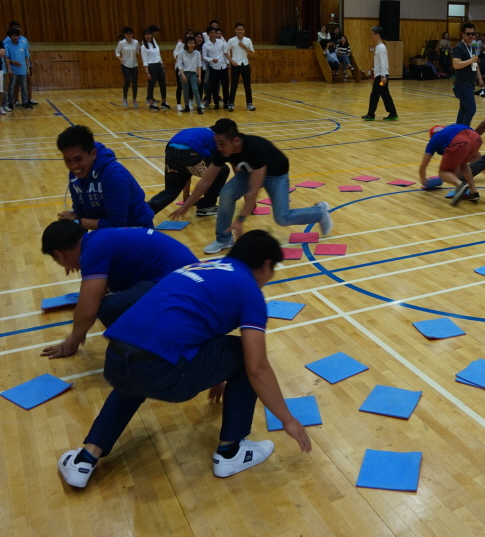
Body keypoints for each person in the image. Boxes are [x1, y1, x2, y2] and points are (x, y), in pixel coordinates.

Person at [56, 230, 312, 489]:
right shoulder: (249, 289)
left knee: (136, 371)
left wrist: (215, 375)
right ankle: (230, 452)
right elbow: (257, 368)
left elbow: (195, 323)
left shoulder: (201, 266)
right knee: (245, 356)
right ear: (266, 265)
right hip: (161, 371)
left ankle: (84, 459)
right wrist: (288, 420)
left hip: (116, 359)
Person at [170, 118, 333, 254]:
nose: (218, 148)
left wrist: (240, 219)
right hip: (249, 171)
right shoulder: (222, 150)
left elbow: (254, 190)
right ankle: (224, 239)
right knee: (226, 193)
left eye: (222, 144)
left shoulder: (255, 149)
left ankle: (319, 212)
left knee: (282, 218)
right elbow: (206, 181)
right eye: (217, 143)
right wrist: (186, 205)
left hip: (276, 175)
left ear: (235, 141)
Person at [39, 221, 198, 359]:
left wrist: (72, 341)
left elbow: (88, 310)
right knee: (115, 296)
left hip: (184, 286)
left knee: (109, 308)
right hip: (191, 279)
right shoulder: (98, 239)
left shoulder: (93, 250)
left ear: (60, 254)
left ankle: (147, 352)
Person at [56, 125, 155, 230]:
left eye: (78, 159)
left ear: (93, 154)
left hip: (137, 230)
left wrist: (76, 221)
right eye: (68, 160)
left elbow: (116, 225)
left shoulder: (115, 177)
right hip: (108, 230)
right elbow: (80, 213)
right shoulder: (76, 174)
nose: (74, 166)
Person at [148, 126, 231, 216]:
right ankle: (206, 206)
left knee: (171, 190)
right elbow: (215, 165)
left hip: (170, 151)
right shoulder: (215, 138)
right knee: (222, 171)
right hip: (189, 152)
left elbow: (187, 170)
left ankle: (145, 211)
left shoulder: (198, 131)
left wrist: (186, 197)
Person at [419, 124, 482, 206]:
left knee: (443, 172)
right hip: (476, 138)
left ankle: (460, 185)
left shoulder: (434, 140)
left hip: (459, 142)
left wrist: (423, 179)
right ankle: (473, 192)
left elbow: (423, 166)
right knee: (463, 163)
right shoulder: (450, 130)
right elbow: (477, 157)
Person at [361, 26, 398, 121]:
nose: (371, 36)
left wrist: (383, 76)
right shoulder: (378, 47)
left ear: (377, 35)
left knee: (375, 94)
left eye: (372, 34)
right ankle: (393, 113)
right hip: (381, 76)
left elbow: (383, 62)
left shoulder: (381, 47)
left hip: (381, 78)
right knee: (385, 94)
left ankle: (371, 114)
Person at [450, 23, 483, 126]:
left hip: (470, 83)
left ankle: (458, 130)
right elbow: (456, 65)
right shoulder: (459, 48)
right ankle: (464, 131)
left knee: (464, 109)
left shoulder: (473, 46)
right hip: (463, 84)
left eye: (473, 34)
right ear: (463, 34)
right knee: (471, 109)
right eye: (468, 34)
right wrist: (471, 60)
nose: (471, 36)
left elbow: (475, 63)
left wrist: (479, 78)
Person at [5, 21, 37, 106]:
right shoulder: (7, 41)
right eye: (14, 27)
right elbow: (5, 56)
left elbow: (27, 54)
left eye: (18, 26)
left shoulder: (24, 40)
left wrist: (30, 64)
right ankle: (14, 101)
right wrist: (11, 64)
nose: (16, 28)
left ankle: (27, 100)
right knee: (14, 85)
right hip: (13, 68)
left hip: (23, 67)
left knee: (26, 83)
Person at [226, 22, 256, 112]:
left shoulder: (248, 40)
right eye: (238, 29)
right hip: (235, 65)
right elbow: (225, 52)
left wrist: (244, 47)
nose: (240, 31)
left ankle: (249, 104)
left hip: (245, 64)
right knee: (234, 85)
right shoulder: (231, 40)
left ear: (244, 30)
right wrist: (231, 61)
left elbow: (252, 53)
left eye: (241, 30)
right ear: (235, 30)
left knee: (247, 85)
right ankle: (231, 104)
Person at [140, 27, 168, 111]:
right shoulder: (143, 47)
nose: (148, 36)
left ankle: (164, 102)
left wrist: (162, 65)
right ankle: (151, 104)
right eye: (146, 35)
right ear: (144, 36)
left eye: (149, 34)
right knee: (151, 85)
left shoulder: (155, 44)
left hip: (158, 65)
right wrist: (147, 72)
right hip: (151, 66)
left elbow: (158, 55)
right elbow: (144, 60)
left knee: (163, 84)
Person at [202, 26, 229, 110]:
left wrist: (228, 63)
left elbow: (225, 53)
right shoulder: (205, 45)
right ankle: (216, 103)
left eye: (214, 33)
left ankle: (226, 102)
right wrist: (211, 60)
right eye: (211, 33)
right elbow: (204, 57)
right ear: (208, 34)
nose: (213, 34)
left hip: (223, 66)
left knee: (225, 86)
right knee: (214, 86)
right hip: (214, 67)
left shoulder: (221, 42)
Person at [176, 36, 203, 114]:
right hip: (184, 73)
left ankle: (199, 107)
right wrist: (182, 75)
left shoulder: (197, 53)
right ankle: (187, 106)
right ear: (186, 44)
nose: (192, 45)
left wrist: (199, 76)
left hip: (193, 74)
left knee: (195, 89)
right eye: (190, 43)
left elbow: (199, 65)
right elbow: (179, 64)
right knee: (185, 90)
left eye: (193, 43)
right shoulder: (181, 52)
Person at [115, 27, 140, 108]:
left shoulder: (136, 42)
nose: (129, 35)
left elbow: (138, 51)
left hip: (134, 64)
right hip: (125, 64)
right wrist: (120, 59)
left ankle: (134, 99)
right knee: (127, 81)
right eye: (127, 34)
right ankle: (125, 98)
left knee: (135, 82)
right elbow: (117, 52)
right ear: (124, 35)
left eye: (131, 33)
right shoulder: (121, 43)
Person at [173, 30, 194, 110]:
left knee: (190, 86)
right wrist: (178, 56)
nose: (189, 36)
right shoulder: (180, 44)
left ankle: (189, 103)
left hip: (190, 68)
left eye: (191, 34)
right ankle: (178, 104)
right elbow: (175, 52)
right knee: (180, 86)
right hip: (180, 68)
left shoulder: (193, 45)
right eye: (188, 34)